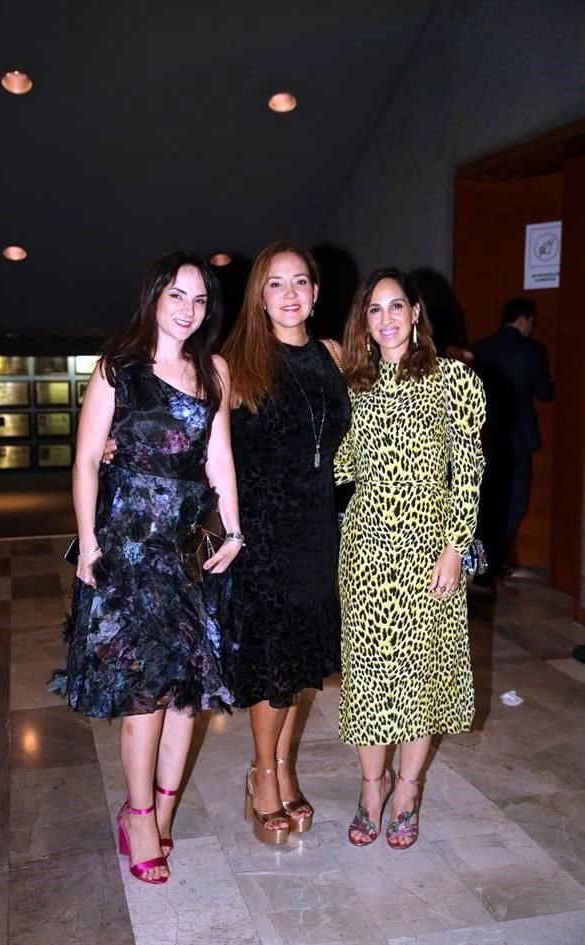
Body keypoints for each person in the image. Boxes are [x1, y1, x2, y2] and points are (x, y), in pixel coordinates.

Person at [51, 252, 243, 884]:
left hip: (188, 552)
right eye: (177, 296)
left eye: (200, 300)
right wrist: (89, 546)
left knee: (186, 696)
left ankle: (161, 815)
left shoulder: (213, 369)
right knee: (144, 692)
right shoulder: (118, 368)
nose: (189, 310)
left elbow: (220, 461)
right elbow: (84, 461)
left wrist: (234, 531)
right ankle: (137, 818)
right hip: (129, 549)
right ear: (154, 297)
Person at [335, 267, 485, 849]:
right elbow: (343, 464)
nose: (387, 319)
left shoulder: (456, 381)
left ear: (416, 312)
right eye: (375, 310)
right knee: (372, 677)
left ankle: (408, 790)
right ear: (364, 322)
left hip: (430, 551)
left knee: (420, 680)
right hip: (366, 552)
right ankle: (371, 788)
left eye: (397, 306)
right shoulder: (355, 386)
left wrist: (454, 547)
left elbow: (468, 471)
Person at [222, 240, 351, 843]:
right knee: (272, 660)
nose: (290, 293)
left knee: (298, 661)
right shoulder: (234, 364)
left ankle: (284, 764)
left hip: (317, 528)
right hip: (262, 533)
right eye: (276, 283)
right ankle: (262, 774)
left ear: (317, 293)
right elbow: (194, 440)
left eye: (300, 282)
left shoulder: (332, 356)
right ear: (259, 295)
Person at [472, 298, 554, 585]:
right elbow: (545, 392)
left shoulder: (480, 348)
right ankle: (493, 563)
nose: (532, 327)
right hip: (518, 436)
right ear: (523, 319)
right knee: (516, 500)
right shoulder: (533, 351)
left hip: (484, 436)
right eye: (532, 322)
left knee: (484, 500)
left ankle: (482, 563)